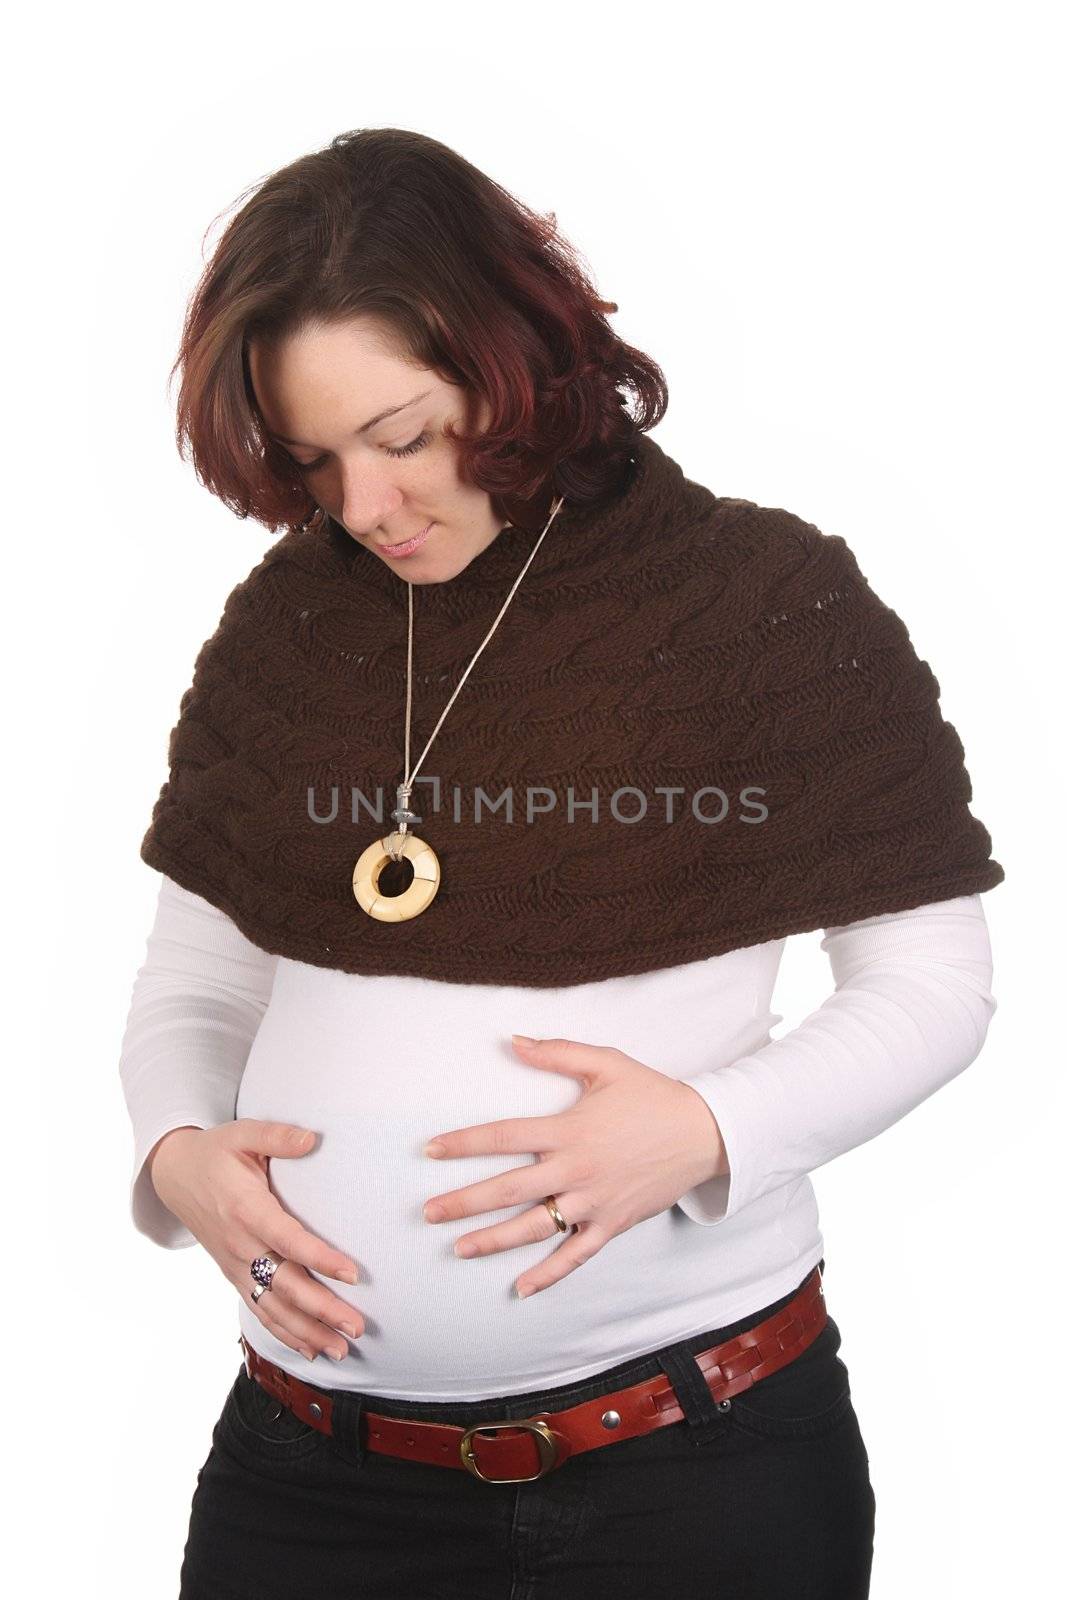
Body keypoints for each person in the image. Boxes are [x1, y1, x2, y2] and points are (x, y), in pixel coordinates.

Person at [118, 126, 1004, 1600]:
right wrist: (178, 1157)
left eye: (401, 437)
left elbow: (932, 988)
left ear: (518, 360)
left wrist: (703, 1131)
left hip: (693, 1472)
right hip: (308, 1478)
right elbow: (192, 984)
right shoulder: (290, 627)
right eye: (316, 457)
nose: (363, 506)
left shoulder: (762, 603)